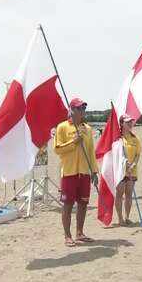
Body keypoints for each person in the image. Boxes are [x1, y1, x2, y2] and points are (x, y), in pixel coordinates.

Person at [54, 98, 99, 247]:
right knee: (68, 204)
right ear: (71, 109)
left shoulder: (88, 129)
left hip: (84, 172)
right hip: (69, 172)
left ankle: (80, 233)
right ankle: (67, 235)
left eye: (84, 109)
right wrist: (73, 142)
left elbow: (91, 152)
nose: (82, 112)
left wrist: (94, 171)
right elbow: (57, 149)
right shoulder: (62, 127)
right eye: (79, 109)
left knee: (83, 203)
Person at [116, 114, 142, 226]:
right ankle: (120, 218)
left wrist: (133, 165)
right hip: (120, 171)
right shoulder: (118, 138)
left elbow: (138, 154)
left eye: (131, 122)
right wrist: (124, 164)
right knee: (119, 194)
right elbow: (115, 154)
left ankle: (127, 217)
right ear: (121, 123)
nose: (130, 124)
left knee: (129, 194)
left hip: (132, 170)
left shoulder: (135, 139)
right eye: (127, 122)